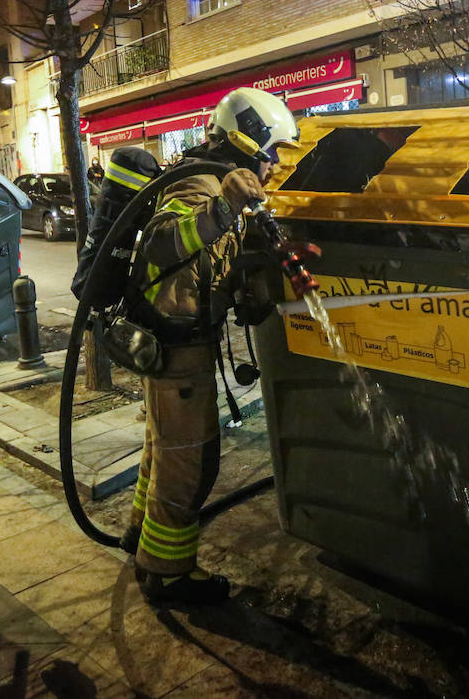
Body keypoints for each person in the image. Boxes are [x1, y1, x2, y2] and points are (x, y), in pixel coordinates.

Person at [121, 87, 299, 605]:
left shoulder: (211, 180)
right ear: (250, 143)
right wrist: (225, 208)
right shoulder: (201, 186)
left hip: (175, 348)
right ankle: (168, 575)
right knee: (189, 464)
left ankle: (141, 536)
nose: (271, 168)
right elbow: (162, 246)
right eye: (271, 155)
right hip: (177, 351)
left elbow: (209, 261)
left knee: (163, 453)